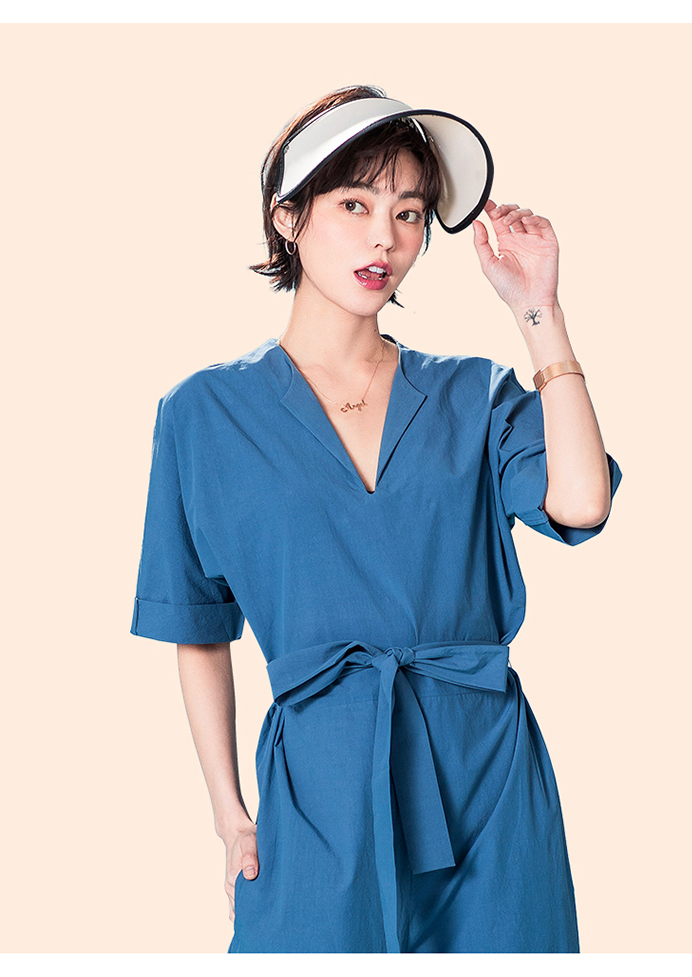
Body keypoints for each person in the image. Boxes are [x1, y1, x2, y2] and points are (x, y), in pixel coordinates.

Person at [130, 84, 622, 954]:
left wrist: (538, 311)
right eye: (354, 205)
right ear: (288, 217)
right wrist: (228, 811)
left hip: (486, 780)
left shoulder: (474, 393)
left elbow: (582, 500)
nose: (384, 238)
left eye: (409, 212)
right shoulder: (203, 413)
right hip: (320, 788)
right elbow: (196, 626)